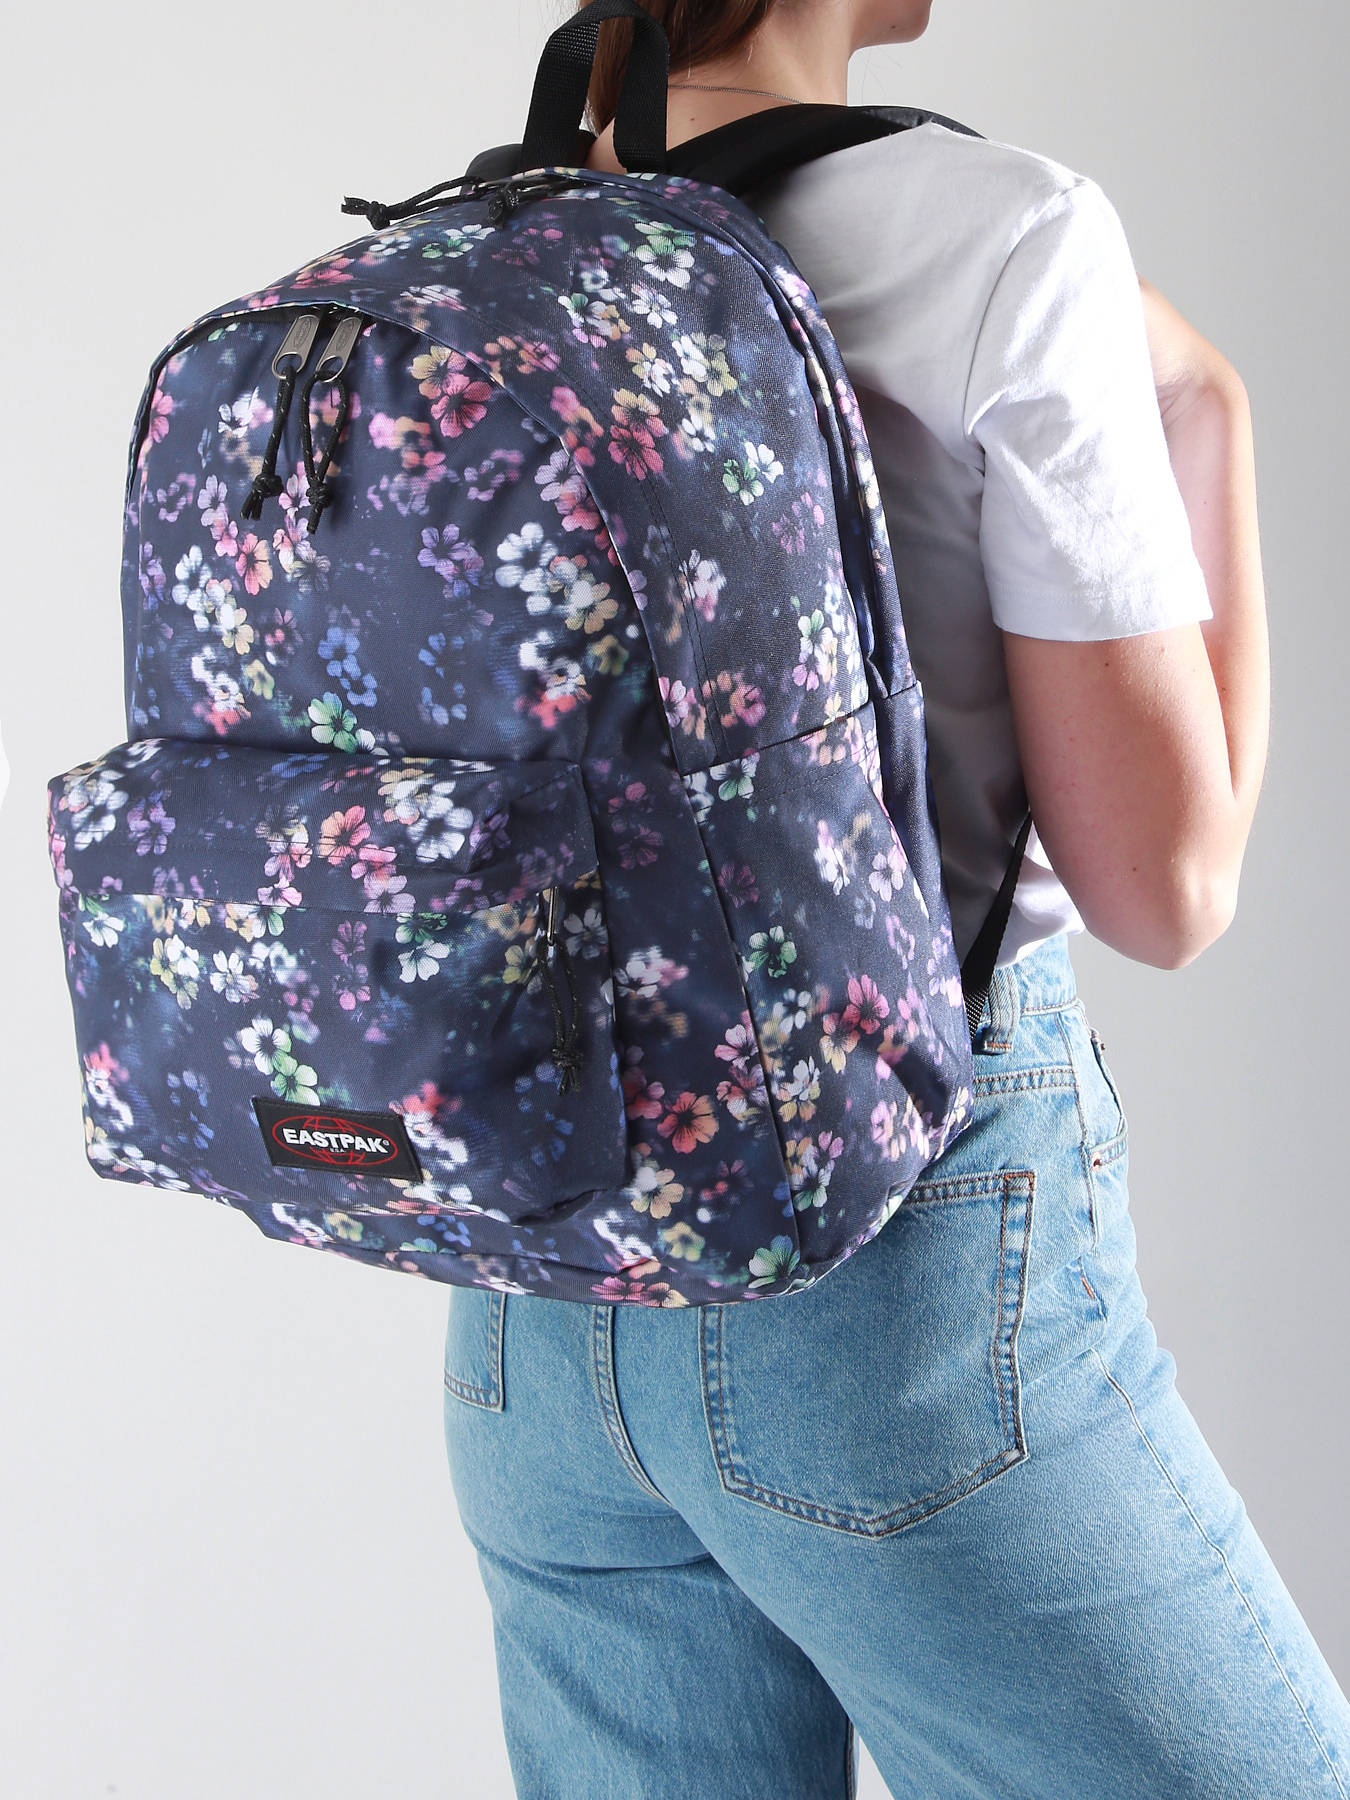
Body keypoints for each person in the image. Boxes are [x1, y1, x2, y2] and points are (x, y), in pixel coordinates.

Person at [442, 3, 1350, 1794]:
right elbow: (1169, 888)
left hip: (536, 1309)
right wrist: (1210, 410)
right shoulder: (997, 231)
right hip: (890, 1278)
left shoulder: (496, 236)